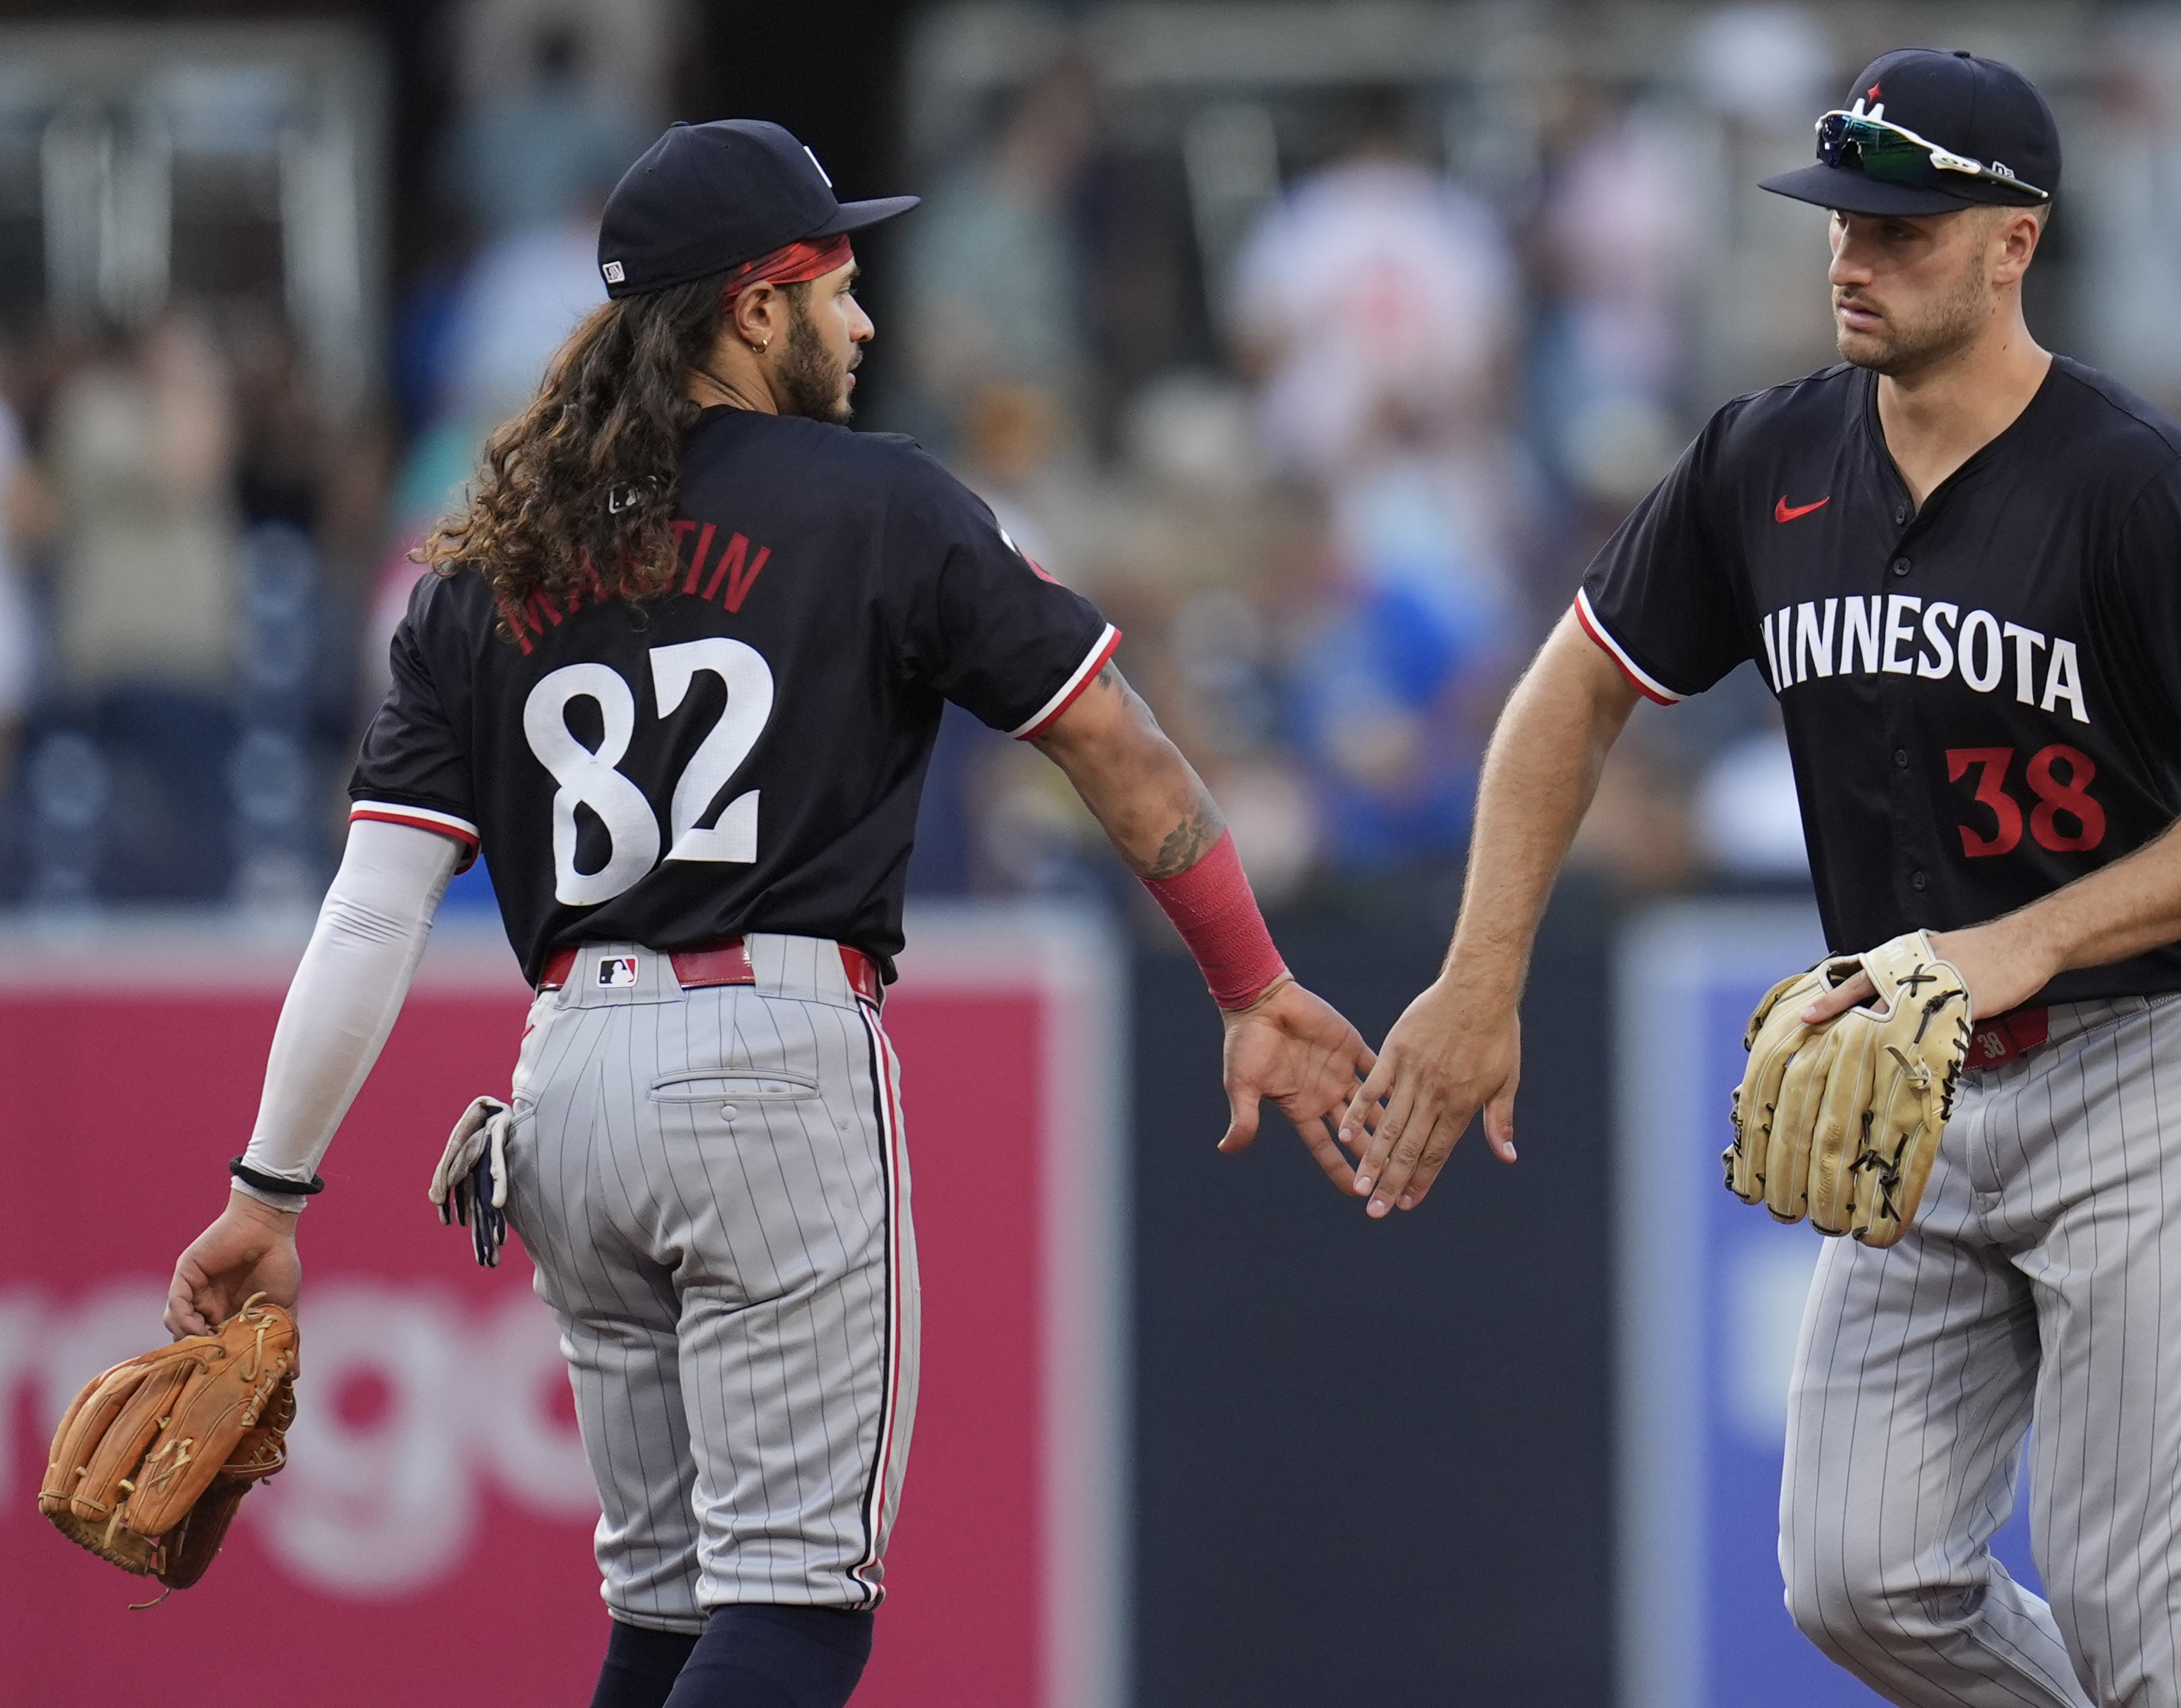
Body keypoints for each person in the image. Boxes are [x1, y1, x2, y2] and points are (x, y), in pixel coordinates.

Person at [157, 119, 1374, 1708]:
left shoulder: (489, 561)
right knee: (796, 1606)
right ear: (752, 307)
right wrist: (1247, 977)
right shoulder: (881, 502)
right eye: (836, 287)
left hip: (565, 1083)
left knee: (667, 1616)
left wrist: (270, 1189)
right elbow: (1114, 747)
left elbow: (374, 910)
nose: (861, 325)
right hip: (773, 1054)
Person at [1345, 50, 2181, 1708]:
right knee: (1855, 1577)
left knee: (2133, 1605)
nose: (1851, 255)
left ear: (2009, 241)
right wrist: (1480, 975)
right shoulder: (1764, 458)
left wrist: (2020, 941)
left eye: (1900, 226)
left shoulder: (2136, 485)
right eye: (1841, 218)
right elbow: (1572, 689)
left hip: (2150, 1059)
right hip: (1918, 1068)